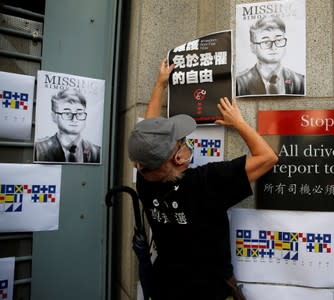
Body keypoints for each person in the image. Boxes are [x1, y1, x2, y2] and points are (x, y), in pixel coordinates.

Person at [128, 58, 278, 300]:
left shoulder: (146, 180)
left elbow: (148, 136)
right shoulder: (206, 182)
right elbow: (267, 157)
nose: (188, 143)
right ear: (178, 158)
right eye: (183, 141)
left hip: (166, 288)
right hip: (211, 291)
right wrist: (239, 122)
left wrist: (160, 84)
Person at [236, 15, 305, 96]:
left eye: (278, 40)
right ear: (253, 47)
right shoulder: (240, 83)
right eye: (266, 42)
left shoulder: (300, 81)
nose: (273, 47)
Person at [34, 88, 101, 163]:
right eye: (67, 113)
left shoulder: (96, 152)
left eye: (79, 113)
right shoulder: (39, 149)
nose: (74, 119)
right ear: (54, 117)